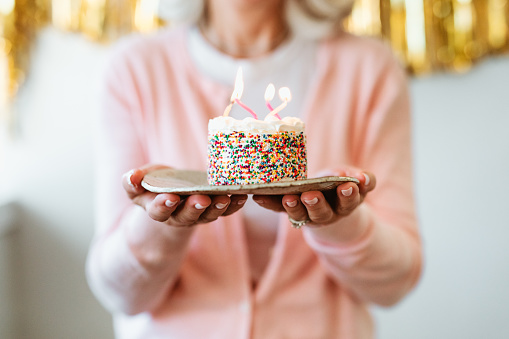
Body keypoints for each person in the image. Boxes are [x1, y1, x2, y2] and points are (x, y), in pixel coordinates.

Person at [86, 0, 423, 338]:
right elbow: (119, 294)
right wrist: (161, 222)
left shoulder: (369, 70)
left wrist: (341, 222)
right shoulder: (134, 70)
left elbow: (394, 285)